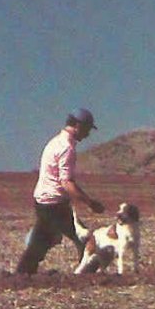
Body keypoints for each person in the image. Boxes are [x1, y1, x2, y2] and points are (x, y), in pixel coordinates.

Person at [15, 108, 106, 274]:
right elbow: (67, 183)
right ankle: (87, 274)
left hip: (43, 200)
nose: (87, 134)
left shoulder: (55, 142)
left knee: (40, 243)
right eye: (87, 129)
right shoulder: (66, 148)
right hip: (54, 203)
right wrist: (90, 202)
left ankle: (22, 275)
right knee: (83, 237)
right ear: (78, 125)